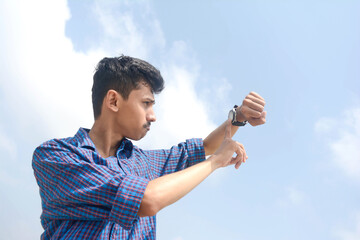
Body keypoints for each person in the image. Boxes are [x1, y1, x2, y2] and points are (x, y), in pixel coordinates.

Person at [32, 55, 266, 239]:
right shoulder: (55, 156)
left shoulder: (144, 162)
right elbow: (147, 200)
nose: (153, 116)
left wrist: (239, 117)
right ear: (113, 101)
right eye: (146, 104)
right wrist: (214, 162)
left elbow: (204, 146)